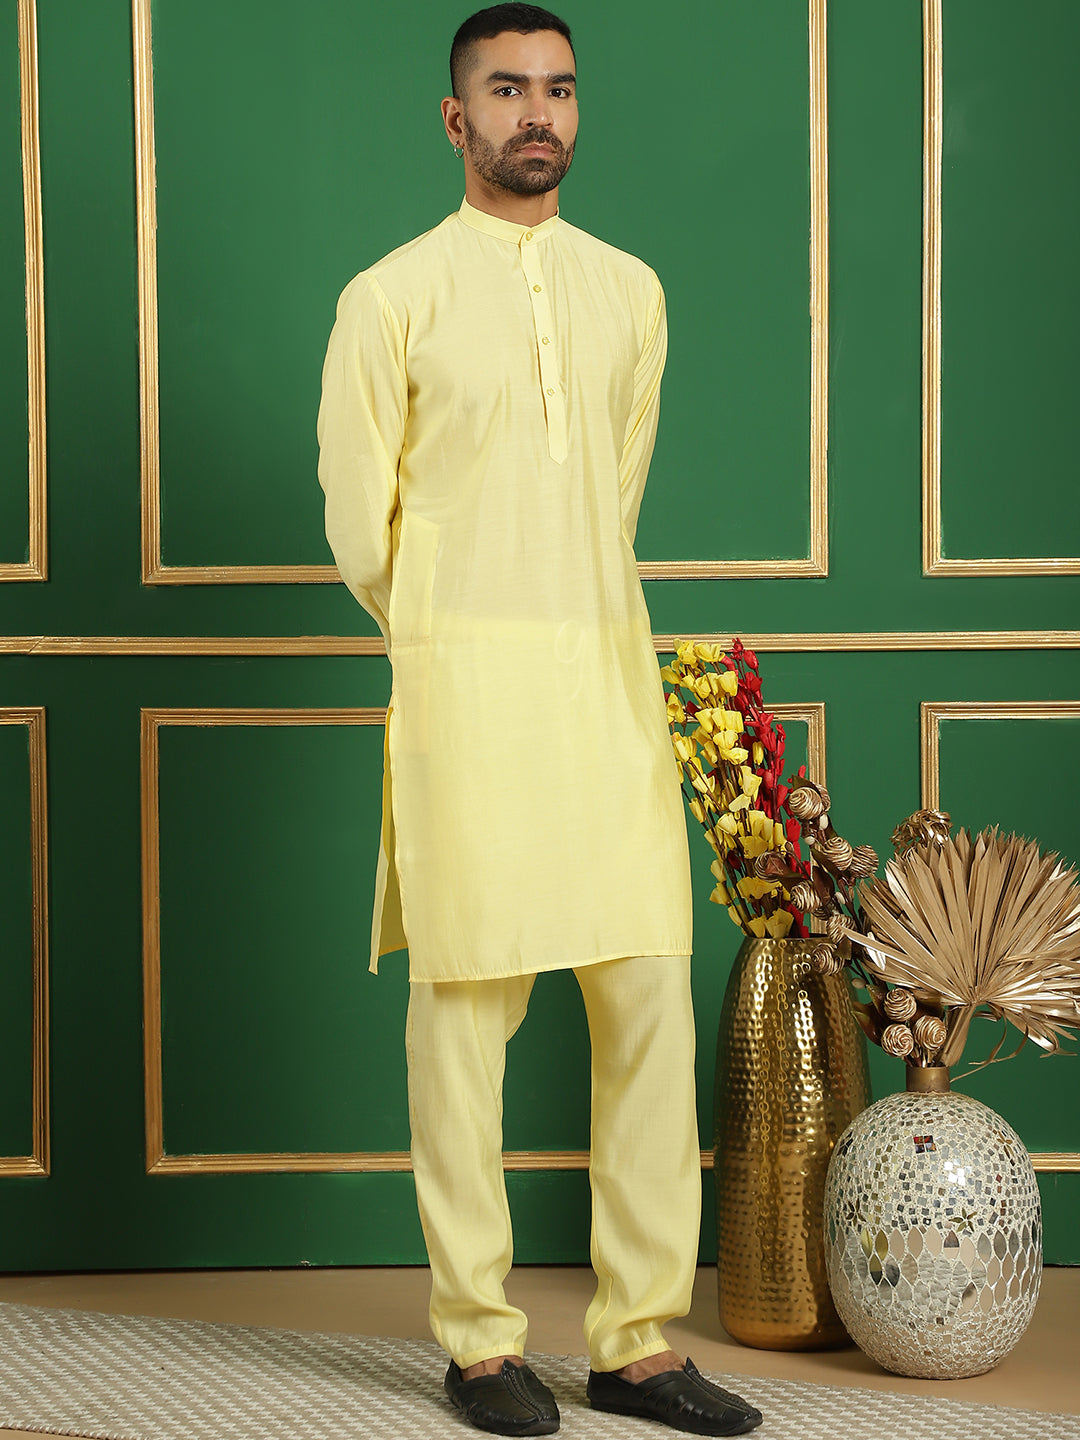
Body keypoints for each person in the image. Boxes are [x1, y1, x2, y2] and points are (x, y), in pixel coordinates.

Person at [317, 6, 763, 1435]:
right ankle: (479, 1343)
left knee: (646, 1008)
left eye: (558, 90)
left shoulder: (631, 291)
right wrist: (455, 627)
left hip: (604, 681)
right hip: (466, 692)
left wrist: (562, 603)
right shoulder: (388, 297)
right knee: (462, 1024)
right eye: (507, 90)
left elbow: (611, 494)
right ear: (456, 120)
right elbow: (360, 526)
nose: (537, 114)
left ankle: (638, 1343)